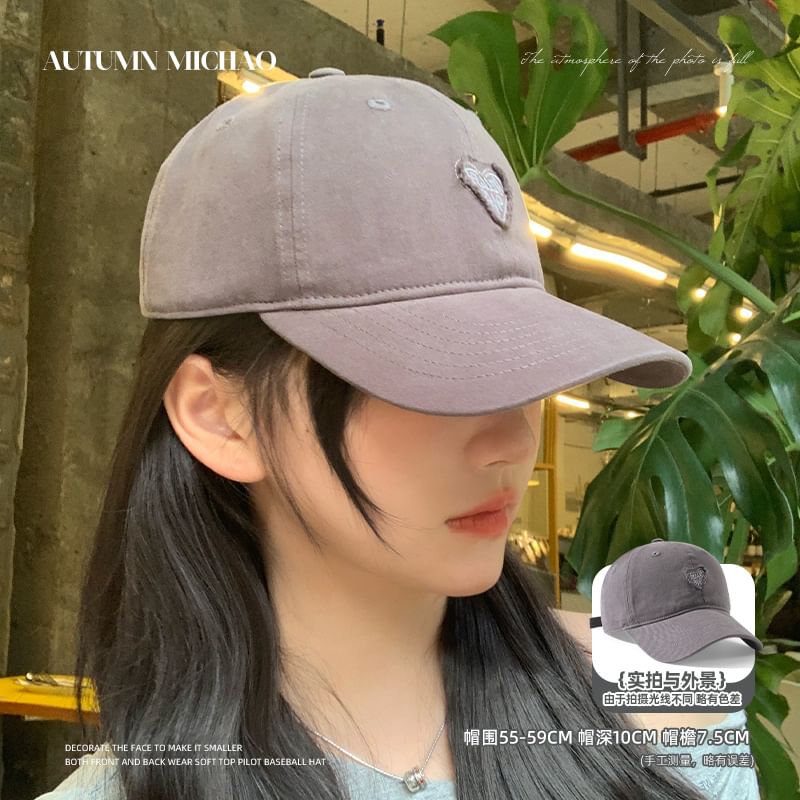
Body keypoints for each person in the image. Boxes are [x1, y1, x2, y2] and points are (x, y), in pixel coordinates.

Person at [34, 68, 757, 799]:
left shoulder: (666, 702)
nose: (512, 444)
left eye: (526, 371)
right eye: (433, 380)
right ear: (220, 416)